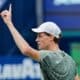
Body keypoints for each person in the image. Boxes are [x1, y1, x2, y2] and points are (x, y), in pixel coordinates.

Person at [0, 4, 77, 80]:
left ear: (51, 37)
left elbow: (26, 50)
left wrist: (9, 23)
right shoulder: (70, 60)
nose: (36, 40)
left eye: (40, 36)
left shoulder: (48, 56)